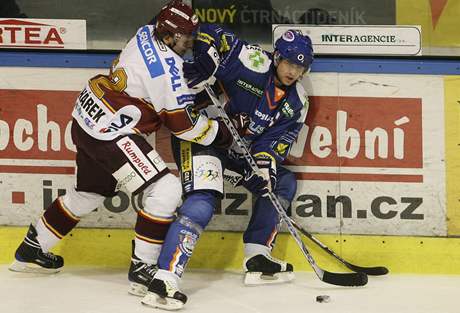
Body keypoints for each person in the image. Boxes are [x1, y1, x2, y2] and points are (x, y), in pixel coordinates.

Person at [9, 0, 236, 298]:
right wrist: (225, 136)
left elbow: (163, 83)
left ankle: (32, 247)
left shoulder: (145, 31)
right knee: (166, 191)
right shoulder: (169, 73)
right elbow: (184, 126)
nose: (190, 42)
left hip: (86, 115)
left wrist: (191, 77)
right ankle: (143, 269)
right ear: (168, 37)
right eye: (185, 38)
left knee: (89, 192)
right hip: (110, 131)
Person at [141, 24, 313, 310]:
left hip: (234, 150)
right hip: (198, 134)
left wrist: (262, 171)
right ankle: (165, 278)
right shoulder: (254, 63)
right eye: (288, 62)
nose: (293, 71)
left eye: (301, 67)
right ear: (277, 57)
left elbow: (270, 145)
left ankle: (257, 255)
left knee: (281, 183)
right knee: (202, 202)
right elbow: (211, 31)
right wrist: (207, 57)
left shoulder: (297, 103)